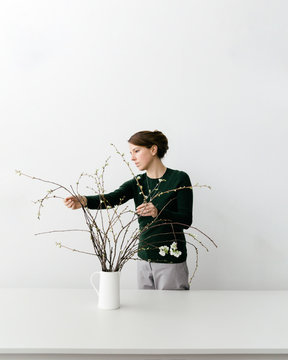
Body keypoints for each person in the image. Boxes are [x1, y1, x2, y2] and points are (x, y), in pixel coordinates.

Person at [64, 130, 193, 290]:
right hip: (143, 261)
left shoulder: (179, 178)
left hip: (171, 262)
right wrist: (84, 200)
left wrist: (157, 212)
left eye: (136, 151)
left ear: (153, 150)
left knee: (172, 312)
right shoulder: (138, 183)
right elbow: (112, 198)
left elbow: (186, 220)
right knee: (146, 313)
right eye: (131, 153)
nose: (132, 158)